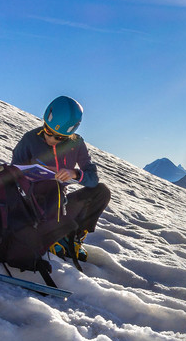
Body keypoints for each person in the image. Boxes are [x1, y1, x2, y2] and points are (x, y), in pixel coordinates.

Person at [11, 95, 111, 260]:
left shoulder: (77, 144)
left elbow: (93, 178)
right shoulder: (30, 139)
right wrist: (36, 174)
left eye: (59, 137)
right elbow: (13, 172)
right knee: (52, 185)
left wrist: (75, 174)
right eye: (48, 132)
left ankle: (73, 238)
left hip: (60, 205)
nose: (51, 139)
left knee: (101, 191)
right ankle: (50, 236)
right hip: (34, 205)